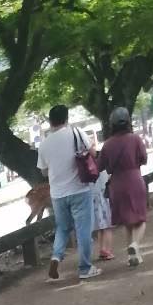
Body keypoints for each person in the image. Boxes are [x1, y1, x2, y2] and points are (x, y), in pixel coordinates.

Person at [37, 104, 100, 283]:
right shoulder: (76, 133)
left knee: (63, 228)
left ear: (50, 122)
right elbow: (92, 153)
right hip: (79, 189)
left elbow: (42, 171)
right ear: (66, 118)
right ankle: (85, 268)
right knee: (83, 230)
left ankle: (56, 256)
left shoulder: (44, 144)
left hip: (58, 194)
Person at [99, 108, 149, 267]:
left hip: (116, 183)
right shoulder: (135, 139)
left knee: (127, 221)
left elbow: (100, 165)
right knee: (140, 219)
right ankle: (135, 245)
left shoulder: (107, 144)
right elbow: (144, 158)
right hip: (134, 179)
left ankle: (132, 256)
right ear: (128, 121)